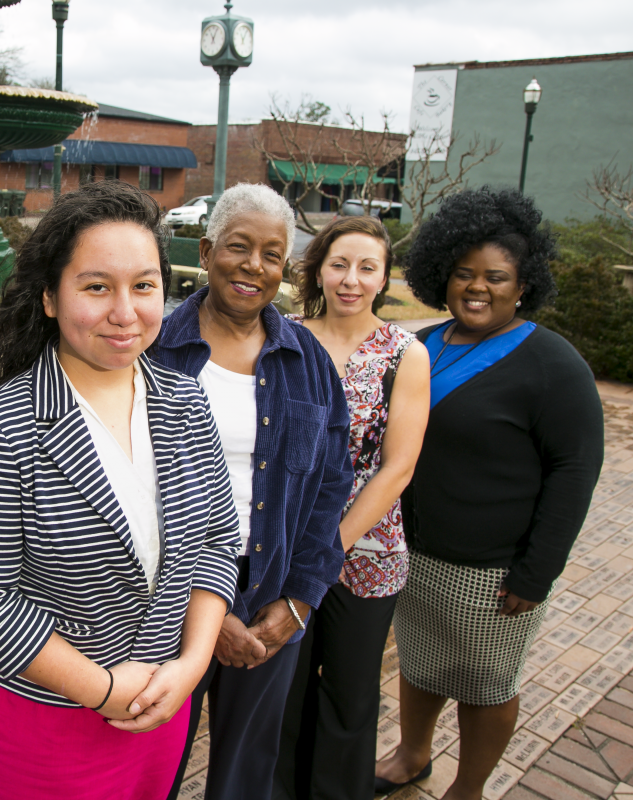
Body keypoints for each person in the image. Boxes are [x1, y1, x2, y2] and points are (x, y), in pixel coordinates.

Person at [0, 180, 240, 800]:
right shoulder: (2, 424)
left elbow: (215, 542)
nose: (125, 312)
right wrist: (101, 689)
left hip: (161, 705)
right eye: (97, 286)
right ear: (50, 298)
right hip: (46, 721)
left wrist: (190, 666)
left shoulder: (184, 401)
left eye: (145, 285)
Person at [373, 187, 604, 800]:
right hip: (413, 554)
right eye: (463, 274)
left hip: (495, 572)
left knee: (485, 685)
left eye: (496, 277)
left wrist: (537, 574)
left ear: (523, 284)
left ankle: (468, 789)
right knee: (421, 668)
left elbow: (575, 473)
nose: (477, 288)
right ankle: (411, 756)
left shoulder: (554, 365)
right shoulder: (421, 346)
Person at [152, 183, 353, 800]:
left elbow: (330, 486)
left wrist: (297, 602)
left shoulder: (306, 360)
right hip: (164, 595)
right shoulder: (154, 348)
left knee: (247, 769)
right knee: (153, 752)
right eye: (239, 247)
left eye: (272, 255)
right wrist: (201, 612)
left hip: (271, 594)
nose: (253, 267)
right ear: (208, 250)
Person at [273, 216, 430, 800]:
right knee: (282, 687)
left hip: (367, 553)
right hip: (284, 548)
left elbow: (399, 467)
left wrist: (330, 543)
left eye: (367, 268)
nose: (351, 280)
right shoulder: (284, 336)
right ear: (319, 268)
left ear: (384, 278)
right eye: (340, 264)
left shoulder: (404, 353)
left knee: (350, 691)